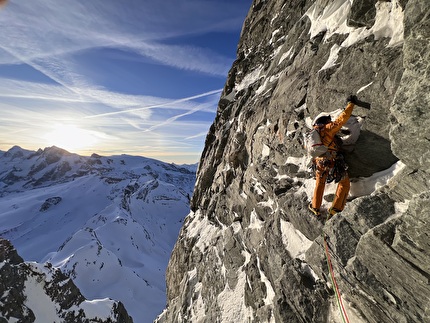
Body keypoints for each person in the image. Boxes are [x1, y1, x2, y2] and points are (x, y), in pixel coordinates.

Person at [308, 95, 358, 220]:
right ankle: (336, 209)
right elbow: (341, 120)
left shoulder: (313, 134)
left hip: (319, 163)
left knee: (320, 183)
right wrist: (351, 105)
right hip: (331, 161)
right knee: (344, 182)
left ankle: (315, 207)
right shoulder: (327, 129)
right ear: (325, 122)